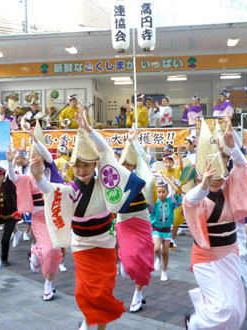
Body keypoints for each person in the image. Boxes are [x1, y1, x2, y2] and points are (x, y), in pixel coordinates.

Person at [30, 104, 145, 330]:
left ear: (95, 165)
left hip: (104, 244)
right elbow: (49, 190)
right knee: (83, 291)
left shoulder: (104, 184)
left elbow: (106, 153)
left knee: (103, 290)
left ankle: (97, 325)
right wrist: (38, 178)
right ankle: (87, 318)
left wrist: (89, 130)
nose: (81, 170)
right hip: (81, 245)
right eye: (77, 166)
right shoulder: (69, 190)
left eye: (86, 165)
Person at [183, 117, 247, 330]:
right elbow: (190, 200)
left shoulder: (229, 186)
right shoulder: (198, 196)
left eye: (223, 166)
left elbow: (241, 166)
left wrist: (233, 147)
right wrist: (204, 184)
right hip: (206, 257)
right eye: (213, 175)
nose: (219, 178)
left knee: (237, 308)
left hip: (230, 252)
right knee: (222, 308)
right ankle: (194, 322)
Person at [7, 143, 64, 300]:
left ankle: (48, 282)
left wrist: (37, 141)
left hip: (55, 217)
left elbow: (48, 156)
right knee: (50, 250)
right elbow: (13, 178)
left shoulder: (51, 171)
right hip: (39, 218)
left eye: (35, 153)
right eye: (31, 153)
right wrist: (10, 163)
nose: (33, 156)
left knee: (55, 251)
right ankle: (45, 277)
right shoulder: (29, 176)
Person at [116, 130, 155, 312]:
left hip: (141, 218)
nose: (127, 167)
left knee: (143, 255)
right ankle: (123, 260)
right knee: (130, 259)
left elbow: (145, 161)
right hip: (124, 221)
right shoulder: (114, 178)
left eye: (130, 165)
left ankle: (138, 293)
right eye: (124, 164)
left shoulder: (142, 176)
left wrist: (134, 141)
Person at [149, 177, 182, 282]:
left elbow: (176, 190)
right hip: (156, 229)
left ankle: (164, 271)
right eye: (159, 192)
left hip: (167, 230)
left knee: (165, 252)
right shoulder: (154, 202)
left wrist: (168, 181)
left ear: (167, 192)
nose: (161, 194)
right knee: (157, 248)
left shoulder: (170, 202)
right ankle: (158, 259)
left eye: (163, 192)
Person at [0, 166, 19, 267]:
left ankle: (4, 259)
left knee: (5, 239)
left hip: (11, 216)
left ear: (3, 177)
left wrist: (11, 161)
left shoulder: (9, 185)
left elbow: (11, 175)